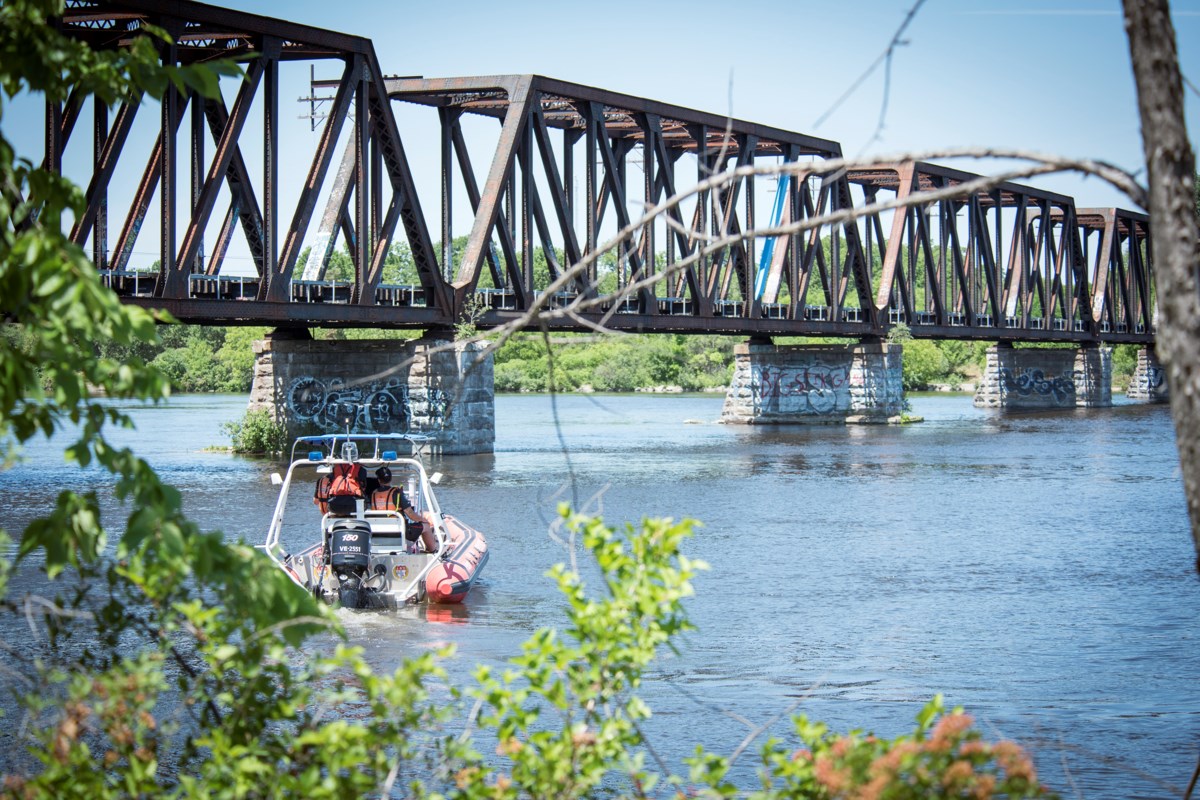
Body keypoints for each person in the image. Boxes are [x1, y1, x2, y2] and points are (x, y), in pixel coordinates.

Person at [370, 466, 436, 553]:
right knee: (426, 526)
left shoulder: (373, 494)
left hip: (378, 534)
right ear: (390, 478)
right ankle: (432, 551)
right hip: (399, 533)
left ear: (379, 480)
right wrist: (424, 520)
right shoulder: (396, 493)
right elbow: (410, 514)